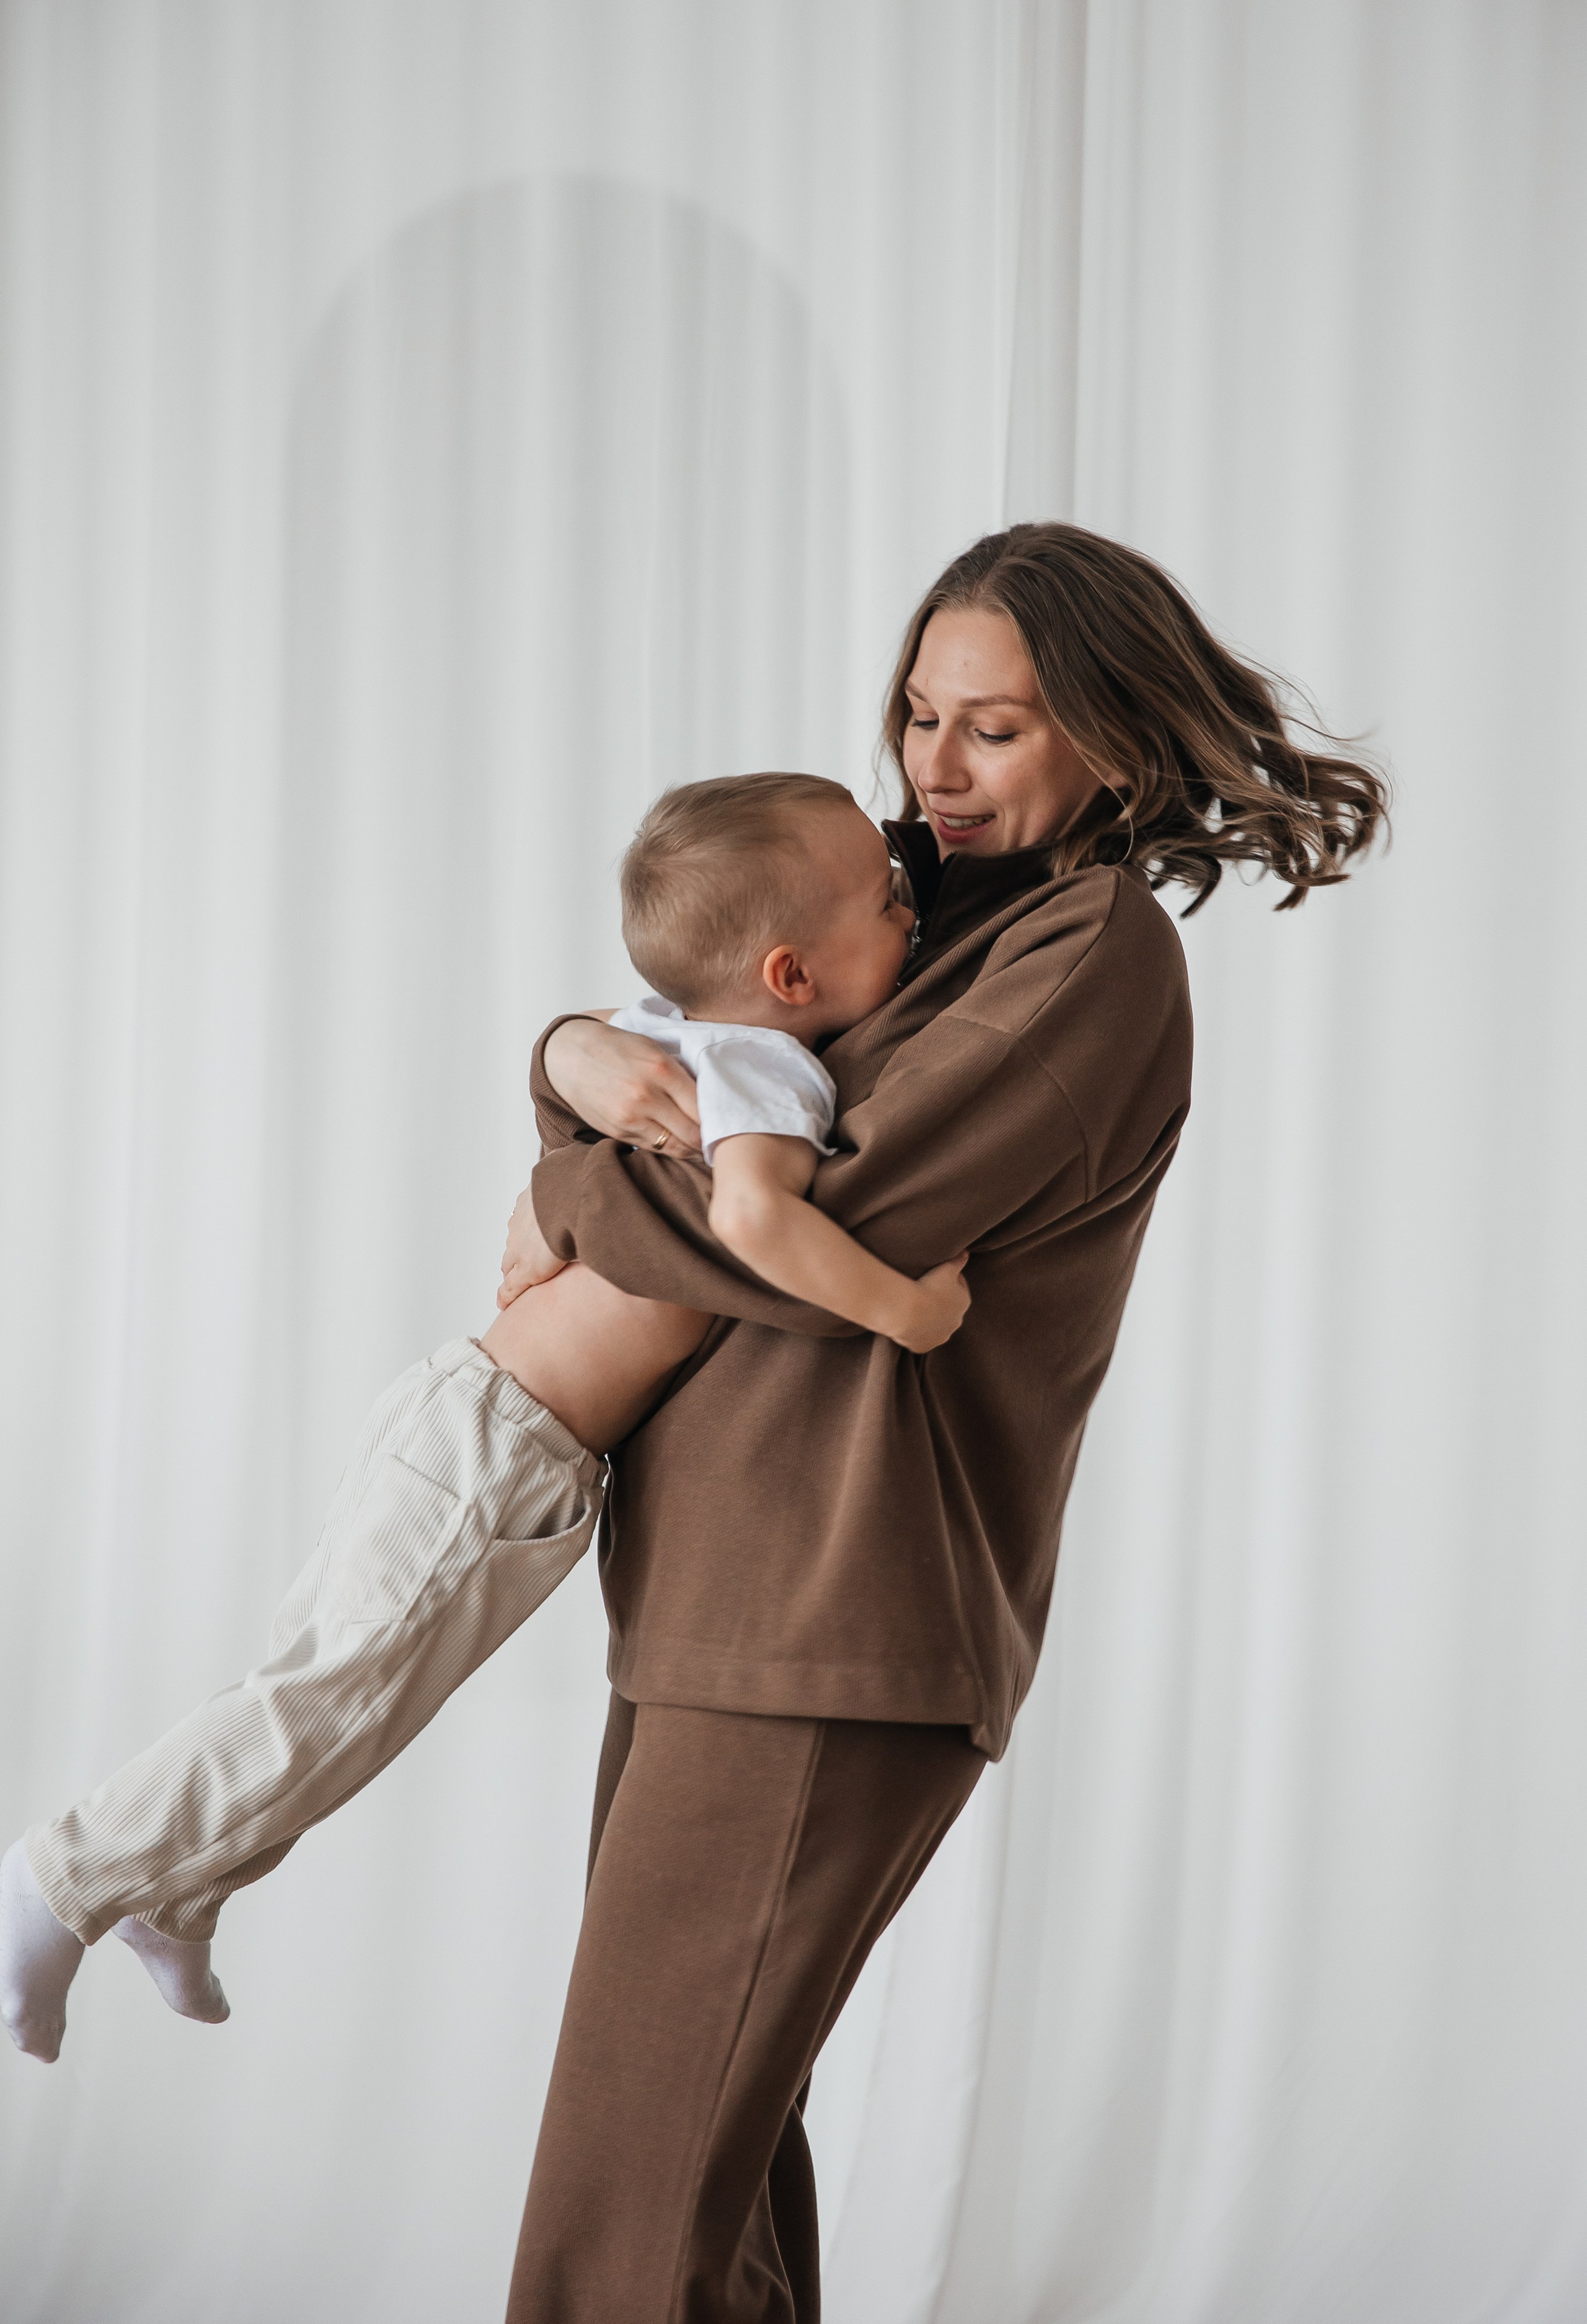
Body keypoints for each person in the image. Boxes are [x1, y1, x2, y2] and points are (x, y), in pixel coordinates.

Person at [495, 522, 1389, 2323]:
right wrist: (569, 1049)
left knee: (627, 2214)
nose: (935, 769)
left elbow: (822, 1219)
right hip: (716, 1598)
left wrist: (562, 1179)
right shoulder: (891, 906)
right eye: (920, 714)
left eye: (996, 727)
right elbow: (691, 1024)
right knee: (696, 2189)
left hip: (838, 1615)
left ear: (1112, 739)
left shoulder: (1087, 955)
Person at [0, 773, 968, 2065]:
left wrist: (566, 1046)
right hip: (503, 1452)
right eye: (887, 901)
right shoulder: (771, 1074)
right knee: (333, 1700)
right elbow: (751, 1223)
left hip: (474, 1415)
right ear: (789, 975)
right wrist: (909, 1310)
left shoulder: (679, 1028)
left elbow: (587, 1062)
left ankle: (175, 1895)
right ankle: (56, 1885)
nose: (911, 908)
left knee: (335, 1683)